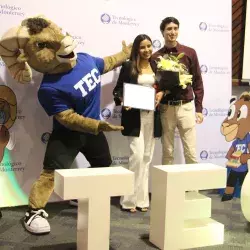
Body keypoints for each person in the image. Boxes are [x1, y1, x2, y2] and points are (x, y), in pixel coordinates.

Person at [0, 15, 132, 234]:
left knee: (103, 163)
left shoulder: (85, 59)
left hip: (93, 130)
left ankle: (82, 194)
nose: (64, 42)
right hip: (67, 135)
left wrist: (125, 54)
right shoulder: (49, 89)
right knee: (50, 174)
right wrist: (98, 126)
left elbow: (107, 63)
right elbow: (68, 118)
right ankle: (33, 211)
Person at [113, 34, 164, 213]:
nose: (147, 50)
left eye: (149, 46)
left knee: (147, 158)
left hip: (152, 117)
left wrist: (161, 94)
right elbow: (118, 90)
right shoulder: (128, 66)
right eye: (142, 47)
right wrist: (124, 100)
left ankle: (142, 200)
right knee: (136, 157)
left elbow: (162, 87)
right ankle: (128, 200)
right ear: (136, 49)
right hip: (134, 117)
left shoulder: (157, 65)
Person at [151, 17, 204, 165]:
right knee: (167, 152)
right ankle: (168, 188)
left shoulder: (189, 53)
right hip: (166, 108)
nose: (172, 32)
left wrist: (199, 108)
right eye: (169, 29)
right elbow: (155, 84)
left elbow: (197, 81)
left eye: (175, 28)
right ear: (162, 32)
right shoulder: (156, 57)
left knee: (191, 153)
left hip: (186, 106)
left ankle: (192, 188)